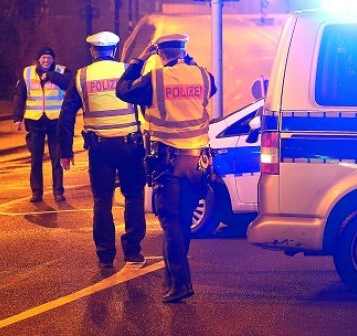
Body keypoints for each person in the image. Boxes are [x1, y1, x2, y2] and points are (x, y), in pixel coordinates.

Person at [116, 33, 215, 304]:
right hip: (196, 163)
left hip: (168, 163)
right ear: (183, 51)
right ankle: (171, 280)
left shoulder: (155, 79)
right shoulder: (203, 76)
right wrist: (188, 59)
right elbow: (210, 88)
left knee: (170, 223)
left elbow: (122, 90)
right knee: (183, 222)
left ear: (160, 54)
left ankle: (181, 283)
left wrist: (139, 60)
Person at [58, 31, 146, 269]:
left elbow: (66, 115)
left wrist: (65, 152)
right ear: (114, 50)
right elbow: (146, 103)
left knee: (102, 200)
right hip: (130, 145)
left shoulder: (82, 76)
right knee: (134, 196)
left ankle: (105, 254)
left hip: (100, 148)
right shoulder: (127, 71)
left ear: (92, 51)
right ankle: (133, 251)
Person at [13, 47, 71, 203]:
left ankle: (58, 191)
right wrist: (17, 117)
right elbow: (20, 96)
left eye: (49, 58)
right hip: (35, 121)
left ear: (53, 60)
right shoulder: (27, 73)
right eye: (44, 58)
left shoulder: (62, 71)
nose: (46, 60)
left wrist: (51, 76)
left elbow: (69, 84)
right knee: (36, 159)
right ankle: (37, 192)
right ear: (38, 59)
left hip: (55, 121)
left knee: (57, 158)